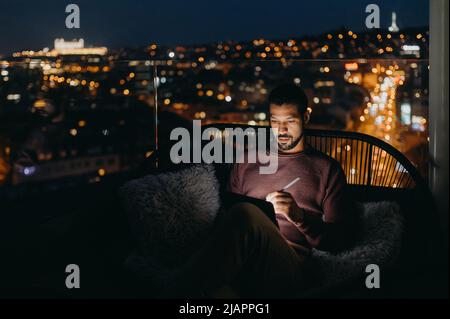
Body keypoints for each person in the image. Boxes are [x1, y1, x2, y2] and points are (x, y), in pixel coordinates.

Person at [162, 84, 357, 298]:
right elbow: (226, 216)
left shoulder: (326, 169)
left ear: (306, 117)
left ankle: (172, 288)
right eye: (275, 121)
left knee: (247, 213)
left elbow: (340, 241)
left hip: (289, 266)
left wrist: (300, 217)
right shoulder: (247, 161)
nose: (281, 130)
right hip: (240, 264)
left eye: (290, 121)